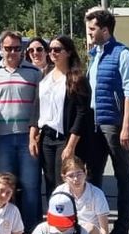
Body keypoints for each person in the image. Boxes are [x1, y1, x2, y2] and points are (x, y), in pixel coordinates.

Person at [84, 7, 129, 234]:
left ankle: (123, 226)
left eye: (92, 29)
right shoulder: (95, 54)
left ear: (105, 30)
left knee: (122, 174)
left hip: (116, 124)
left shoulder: (123, 54)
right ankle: (95, 224)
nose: (89, 33)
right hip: (95, 123)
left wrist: (126, 126)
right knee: (93, 175)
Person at [0, 29, 43, 228]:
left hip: (27, 138)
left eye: (16, 48)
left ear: (22, 50)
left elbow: (39, 107)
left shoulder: (35, 73)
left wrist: (34, 135)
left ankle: (30, 230)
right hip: (2, 138)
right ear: (1, 49)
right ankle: (6, 229)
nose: (12, 52)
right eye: (8, 48)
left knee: (30, 186)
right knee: (5, 186)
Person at [37, 35, 98, 194]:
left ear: (69, 52)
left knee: (63, 182)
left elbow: (82, 113)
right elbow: (38, 106)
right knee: (50, 182)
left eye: (57, 50)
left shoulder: (77, 78)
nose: (52, 53)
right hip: (47, 137)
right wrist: (34, 133)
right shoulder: (45, 76)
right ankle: (55, 217)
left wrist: (70, 146)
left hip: (65, 138)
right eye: (50, 50)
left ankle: (69, 216)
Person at [56, 154, 113, 234]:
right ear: (64, 177)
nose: (76, 179)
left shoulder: (96, 194)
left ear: (85, 172)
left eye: (79, 174)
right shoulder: (59, 193)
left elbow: (104, 229)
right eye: (71, 176)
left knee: (88, 229)